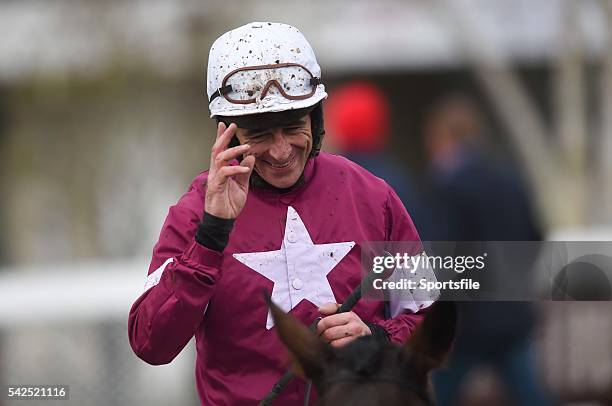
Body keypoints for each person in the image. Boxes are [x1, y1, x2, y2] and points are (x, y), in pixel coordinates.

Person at [128, 22, 430, 405]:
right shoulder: (194, 212)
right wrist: (211, 235)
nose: (281, 150)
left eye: (292, 127)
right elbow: (150, 343)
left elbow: (429, 315)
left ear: (316, 121)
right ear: (228, 134)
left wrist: (381, 338)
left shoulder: (373, 197)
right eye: (260, 135)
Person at [423, 94, 552, 406]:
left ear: (443, 138)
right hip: (511, 313)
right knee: (530, 394)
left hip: (468, 322)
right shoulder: (510, 180)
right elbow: (536, 237)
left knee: (434, 395)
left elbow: (444, 258)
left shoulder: (450, 187)